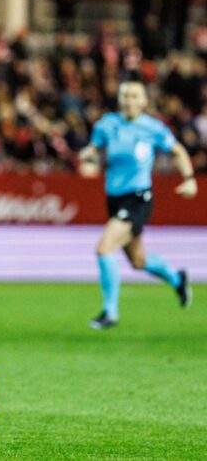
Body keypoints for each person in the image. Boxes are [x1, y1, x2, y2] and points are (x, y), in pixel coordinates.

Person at [78, 81, 197, 330]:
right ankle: (177, 279)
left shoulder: (153, 128)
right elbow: (94, 150)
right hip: (115, 199)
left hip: (138, 198)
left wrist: (189, 179)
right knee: (138, 261)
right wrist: (87, 155)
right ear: (120, 100)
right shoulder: (107, 124)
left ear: (144, 102)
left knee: (104, 247)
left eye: (134, 96)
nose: (129, 100)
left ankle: (110, 312)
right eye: (125, 95)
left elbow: (178, 151)